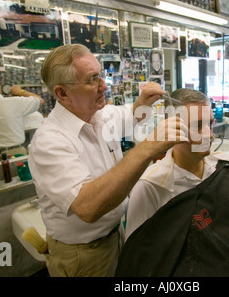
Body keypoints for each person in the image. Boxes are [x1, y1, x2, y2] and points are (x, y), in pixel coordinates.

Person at [27, 44, 188, 277]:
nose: (104, 86)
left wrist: (144, 100)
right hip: (83, 255)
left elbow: (131, 114)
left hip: (116, 236)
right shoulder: (49, 142)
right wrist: (147, 149)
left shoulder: (99, 115)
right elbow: (88, 207)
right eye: (92, 80)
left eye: (100, 76)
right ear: (62, 93)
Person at [125, 88, 229, 239]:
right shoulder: (151, 186)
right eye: (197, 126)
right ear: (172, 129)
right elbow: (138, 253)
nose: (209, 135)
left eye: (210, 123)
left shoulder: (224, 166)